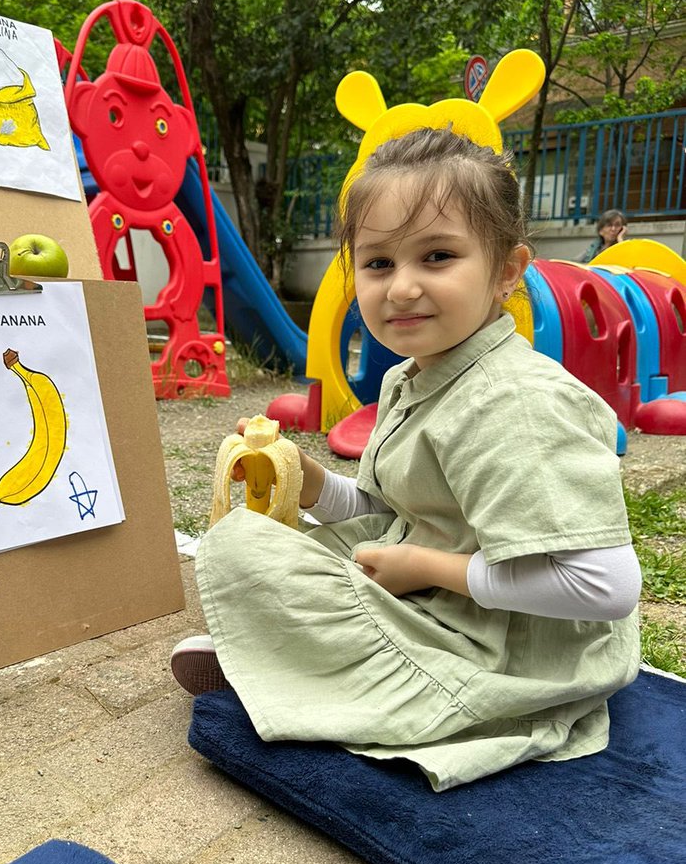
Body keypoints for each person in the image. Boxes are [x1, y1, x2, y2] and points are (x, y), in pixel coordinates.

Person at [171, 128, 642, 791]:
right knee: (261, 539)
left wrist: (426, 566)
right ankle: (287, 658)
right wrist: (310, 484)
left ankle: (310, 668)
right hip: (441, 597)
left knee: (241, 555)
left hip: (515, 648)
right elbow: (389, 509)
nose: (402, 288)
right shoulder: (410, 378)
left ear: (506, 272)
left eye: (438, 256)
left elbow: (608, 588)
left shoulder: (517, 404)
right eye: (380, 263)